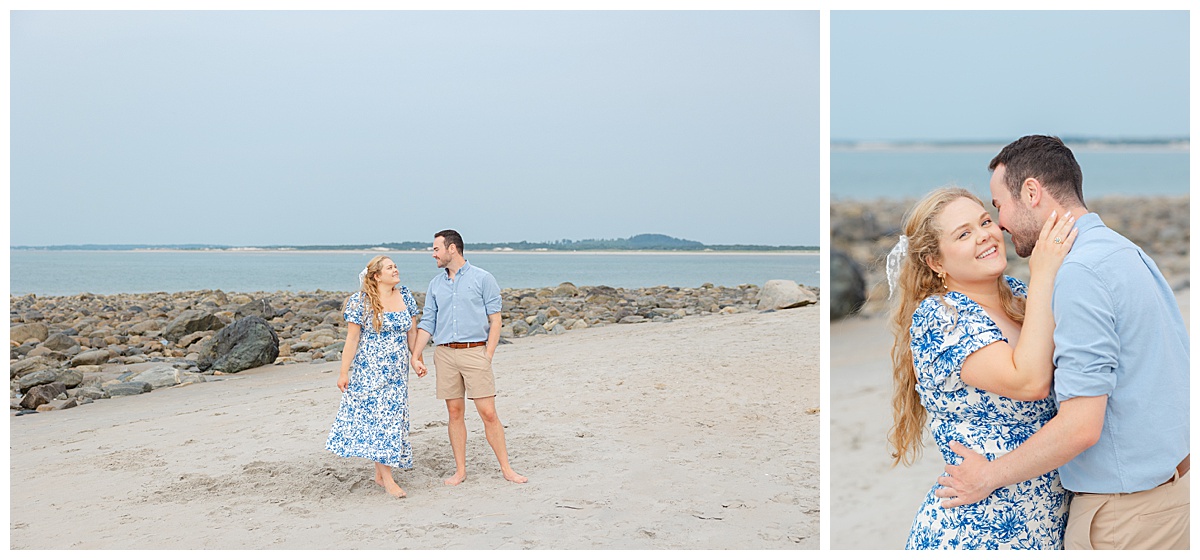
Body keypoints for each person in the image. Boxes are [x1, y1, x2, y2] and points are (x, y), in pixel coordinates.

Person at [935, 135, 1190, 550]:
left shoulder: (1080, 273)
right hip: (1172, 495)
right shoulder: (1126, 252)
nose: (999, 224)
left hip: (1124, 517)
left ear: (1031, 192)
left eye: (998, 207)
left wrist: (988, 476)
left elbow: (1081, 426)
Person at [887, 186, 1078, 549]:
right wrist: (1047, 272)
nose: (985, 236)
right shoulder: (941, 317)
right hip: (976, 531)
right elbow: (1030, 382)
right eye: (964, 233)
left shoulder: (1022, 296)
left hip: (1046, 523)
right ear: (936, 262)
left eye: (986, 221)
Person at [410, 229, 527, 485]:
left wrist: (488, 355)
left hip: (475, 352)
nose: (433, 254)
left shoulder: (483, 278)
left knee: (488, 413)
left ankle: (507, 469)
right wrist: (416, 354)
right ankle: (460, 471)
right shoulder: (435, 284)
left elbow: (495, 320)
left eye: (436, 249)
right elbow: (428, 322)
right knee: (454, 412)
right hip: (444, 354)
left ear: (452, 249)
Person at [326, 255, 421, 498]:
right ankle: (388, 479)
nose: (395, 269)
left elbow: (412, 331)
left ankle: (381, 474)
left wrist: (416, 357)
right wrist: (343, 372)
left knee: (392, 420)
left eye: (396, 266)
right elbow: (352, 339)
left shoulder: (405, 295)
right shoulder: (362, 302)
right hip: (370, 372)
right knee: (379, 422)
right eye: (390, 267)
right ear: (377, 276)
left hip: (398, 374)